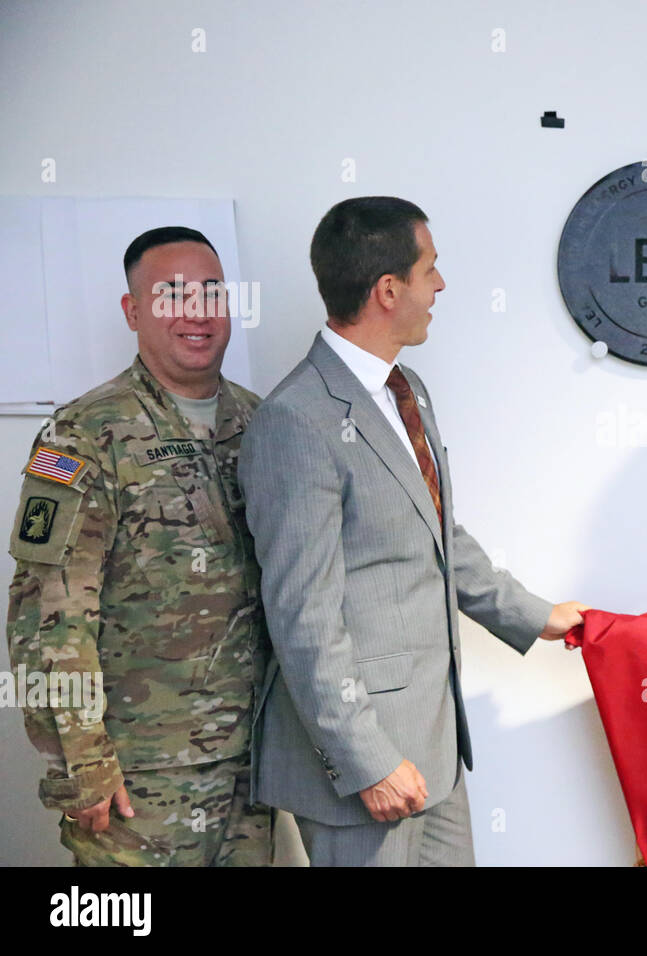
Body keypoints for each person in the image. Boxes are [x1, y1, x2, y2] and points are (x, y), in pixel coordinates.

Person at [240, 196, 586, 866]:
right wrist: (366, 760)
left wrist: (536, 616)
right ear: (388, 290)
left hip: (435, 746)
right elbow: (301, 615)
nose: (442, 285)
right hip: (364, 766)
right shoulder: (296, 420)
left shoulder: (408, 390)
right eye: (432, 270)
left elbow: (437, 531)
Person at [6, 226, 271, 865]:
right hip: (136, 780)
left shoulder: (263, 425)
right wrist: (82, 765)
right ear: (134, 312)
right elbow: (48, 619)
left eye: (212, 293)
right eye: (171, 295)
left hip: (251, 771)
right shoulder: (83, 435)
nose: (197, 313)